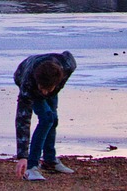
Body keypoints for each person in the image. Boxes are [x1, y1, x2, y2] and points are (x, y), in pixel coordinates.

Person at [13, 51, 77, 181]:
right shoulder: (28, 84)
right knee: (47, 118)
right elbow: (22, 120)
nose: (44, 92)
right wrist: (22, 156)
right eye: (42, 88)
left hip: (53, 79)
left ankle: (50, 161)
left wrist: (52, 89)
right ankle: (31, 167)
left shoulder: (67, 65)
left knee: (53, 119)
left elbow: (68, 55)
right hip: (23, 73)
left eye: (47, 89)